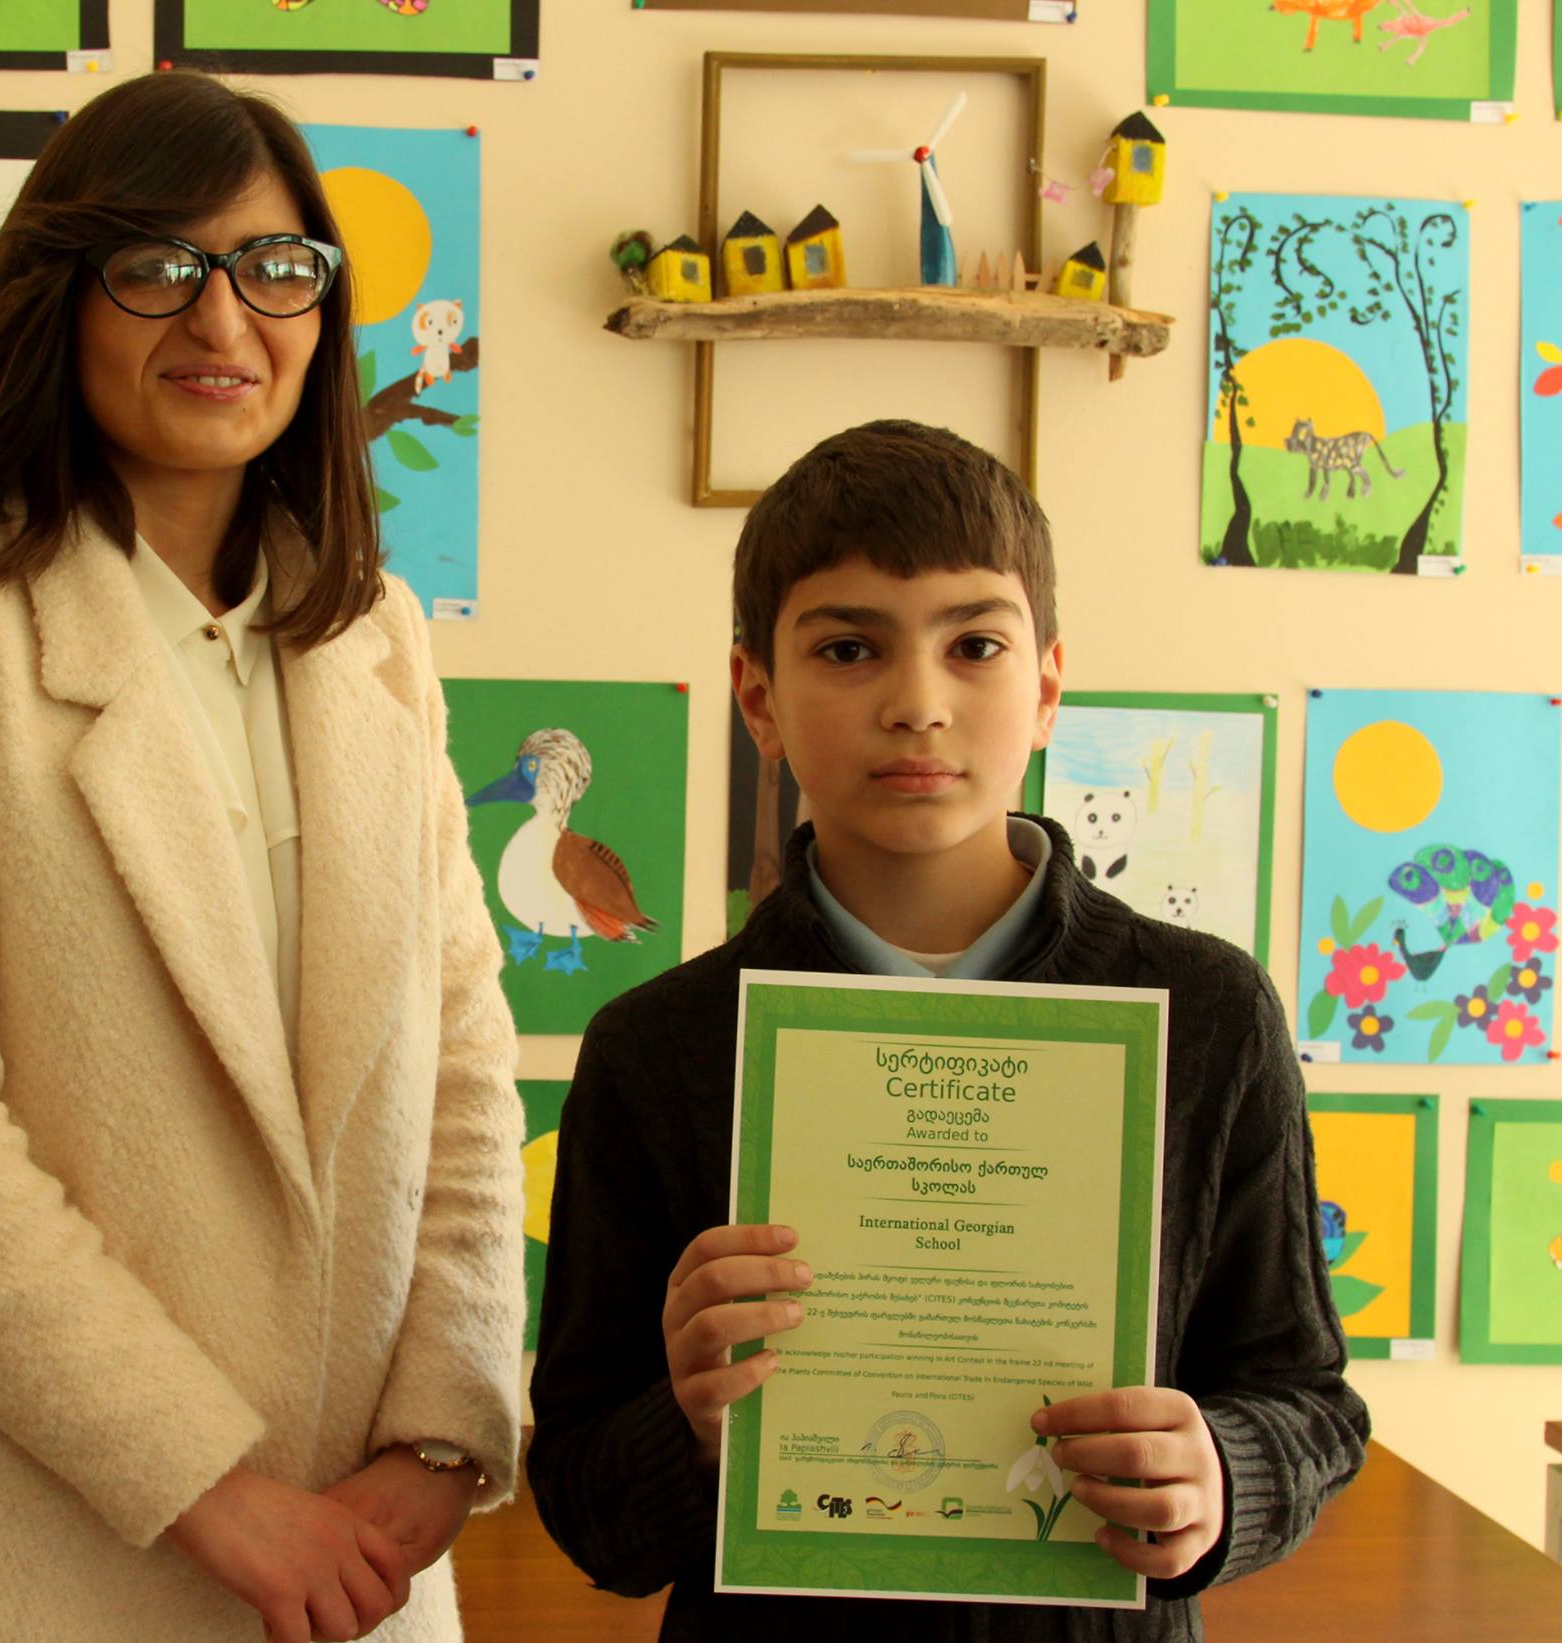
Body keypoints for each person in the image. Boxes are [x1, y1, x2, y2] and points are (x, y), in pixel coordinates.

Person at [0, 71, 525, 1643]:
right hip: (0, 1553)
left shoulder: (374, 630)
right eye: (161, 266)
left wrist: (443, 1431)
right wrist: (210, 1488)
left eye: (276, 267)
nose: (226, 319)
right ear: (61, 293)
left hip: (350, 1559)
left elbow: (462, 1060)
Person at [527, 421, 1369, 1641]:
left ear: (1047, 687)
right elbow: (584, 1507)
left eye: (974, 645)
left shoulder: (1209, 1015)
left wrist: (1221, 1471)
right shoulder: (655, 1048)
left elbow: (1306, 1401)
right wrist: (689, 1418)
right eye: (848, 647)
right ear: (757, 697)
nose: (917, 704)